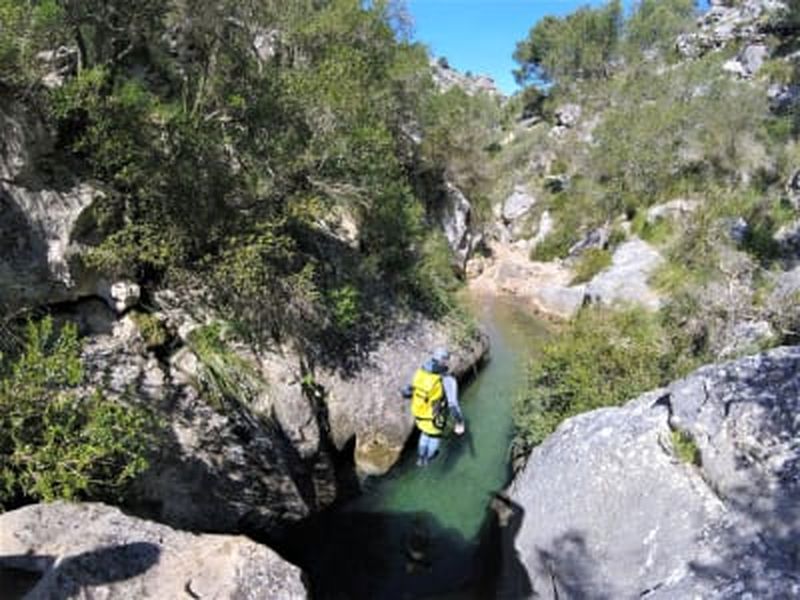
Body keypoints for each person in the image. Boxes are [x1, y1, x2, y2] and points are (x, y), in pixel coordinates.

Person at [406, 348, 466, 467]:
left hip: (419, 415)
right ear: (444, 361)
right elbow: (453, 406)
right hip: (434, 418)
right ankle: (428, 458)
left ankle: (420, 458)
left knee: (425, 433)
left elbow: (407, 391)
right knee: (434, 436)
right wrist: (459, 422)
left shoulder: (421, 372)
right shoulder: (447, 379)